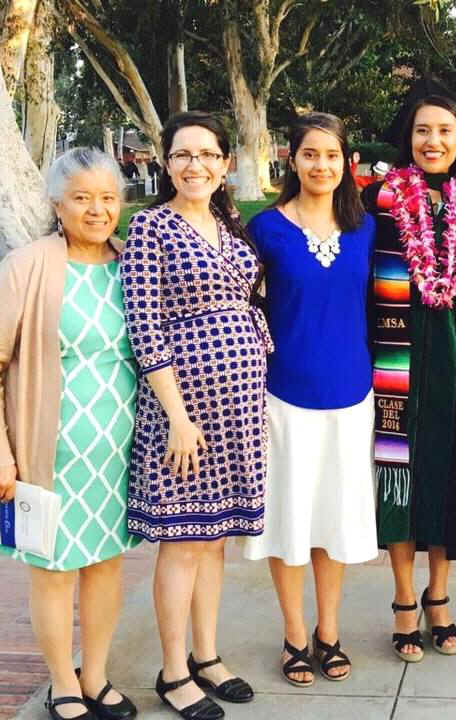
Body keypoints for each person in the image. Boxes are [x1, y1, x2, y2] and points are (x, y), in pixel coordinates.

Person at [0, 148, 139, 720]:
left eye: (109, 197)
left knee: (108, 563)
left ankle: (95, 675)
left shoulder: (129, 263)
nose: (98, 209)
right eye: (82, 198)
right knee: (55, 568)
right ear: (56, 203)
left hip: (119, 452)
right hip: (53, 452)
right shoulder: (28, 266)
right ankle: (62, 682)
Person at [120, 111, 271, 719]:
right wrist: (178, 418)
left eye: (207, 155)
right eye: (182, 155)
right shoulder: (151, 230)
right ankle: (174, 669)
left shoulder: (232, 232)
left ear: (225, 164)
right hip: (184, 413)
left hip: (239, 411)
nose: (195, 166)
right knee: (182, 543)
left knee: (213, 543)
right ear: (165, 163)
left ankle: (208, 656)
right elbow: (145, 326)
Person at [243, 113, 377, 686]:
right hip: (285, 394)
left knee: (336, 516)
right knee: (290, 516)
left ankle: (329, 630)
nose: (320, 165)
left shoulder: (367, 227)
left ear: (346, 162)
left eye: (331, 155)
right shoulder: (266, 228)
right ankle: (295, 634)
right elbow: (233, 298)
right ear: (291, 161)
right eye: (309, 154)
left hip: (352, 392)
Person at [363, 95, 456, 662]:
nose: (432, 141)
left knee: (446, 476)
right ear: (408, 139)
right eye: (422, 131)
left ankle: (440, 598)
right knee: (402, 478)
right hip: (399, 358)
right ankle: (402, 602)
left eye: (444, 130)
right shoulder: (379, 200)